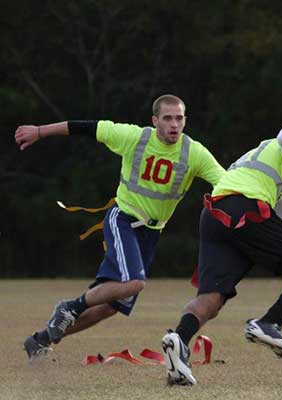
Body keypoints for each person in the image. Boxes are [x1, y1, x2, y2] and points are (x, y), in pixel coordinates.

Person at [15, 94, 226, 361]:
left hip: (151, 234)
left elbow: (225, 182)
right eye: (167, 118)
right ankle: (70, 306)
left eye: (179, 118)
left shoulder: (193, 152)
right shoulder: (134, 137)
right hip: (123, 220)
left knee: (108, 307)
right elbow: (87, 127)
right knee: (133, 283)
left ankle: (40, 340)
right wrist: (39, 131)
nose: (174, 124)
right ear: (155, 121)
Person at [161, 111, 282, 386]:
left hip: (216, 213)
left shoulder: (273, 170)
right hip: (246, 207)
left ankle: (178, 340)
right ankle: (269, 324)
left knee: (213, 297)